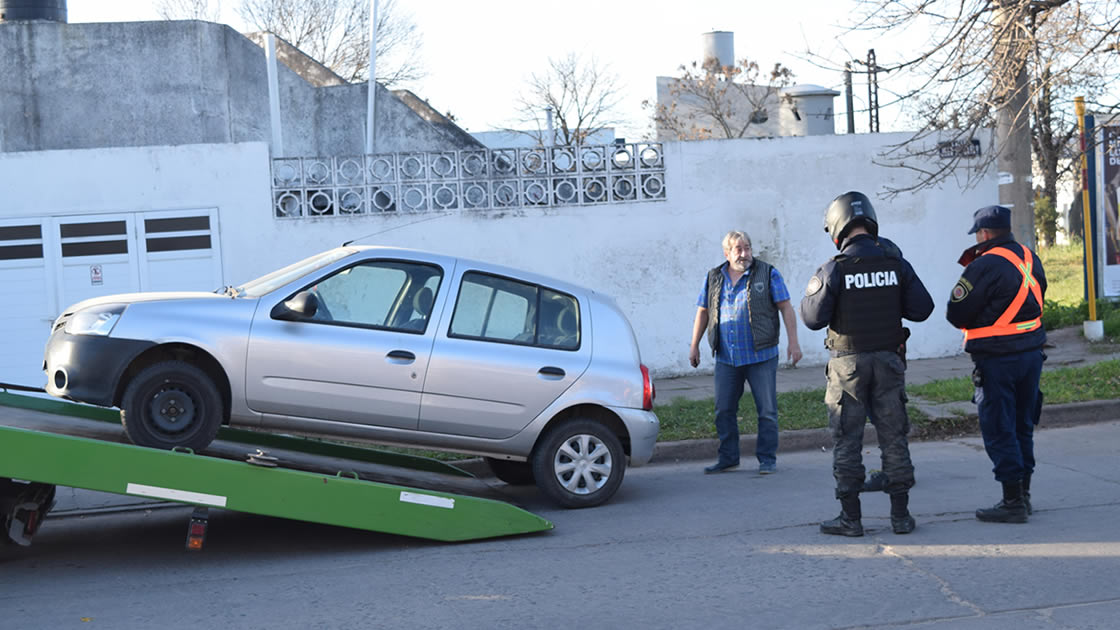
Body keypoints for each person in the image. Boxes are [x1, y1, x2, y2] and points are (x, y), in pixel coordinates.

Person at [800, 191, 933, 536]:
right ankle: (901, 518)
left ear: (837, 227)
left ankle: (851, 519)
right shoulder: (895, 263)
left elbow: (812, 319)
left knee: (848, 441)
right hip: (889, 363)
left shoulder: (834, 268)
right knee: (894, 438)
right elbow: (923, 309)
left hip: (848, 368)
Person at [946, 205, 1046, 524]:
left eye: (978, 233)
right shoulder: (1030, 258)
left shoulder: (984, 265)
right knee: (1022, 424)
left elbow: (956, 313)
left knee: (999, 426)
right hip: (1032, 354)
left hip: (996, 360)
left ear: (985, 234)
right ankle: (1024, 495)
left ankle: (1012, 501)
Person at [688, 230, 802, 475]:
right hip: (727, 357)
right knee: (724, 409)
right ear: (727, 253)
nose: (744, 254)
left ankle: (767, 459)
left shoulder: (768, 273)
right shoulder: (713, 277)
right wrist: (694, 344)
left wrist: (794, 343)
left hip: (761, 355)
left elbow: (786, 308)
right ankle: (728, 458)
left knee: (767, 410)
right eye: (738, 249)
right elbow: (703, 312)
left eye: (747, 248)